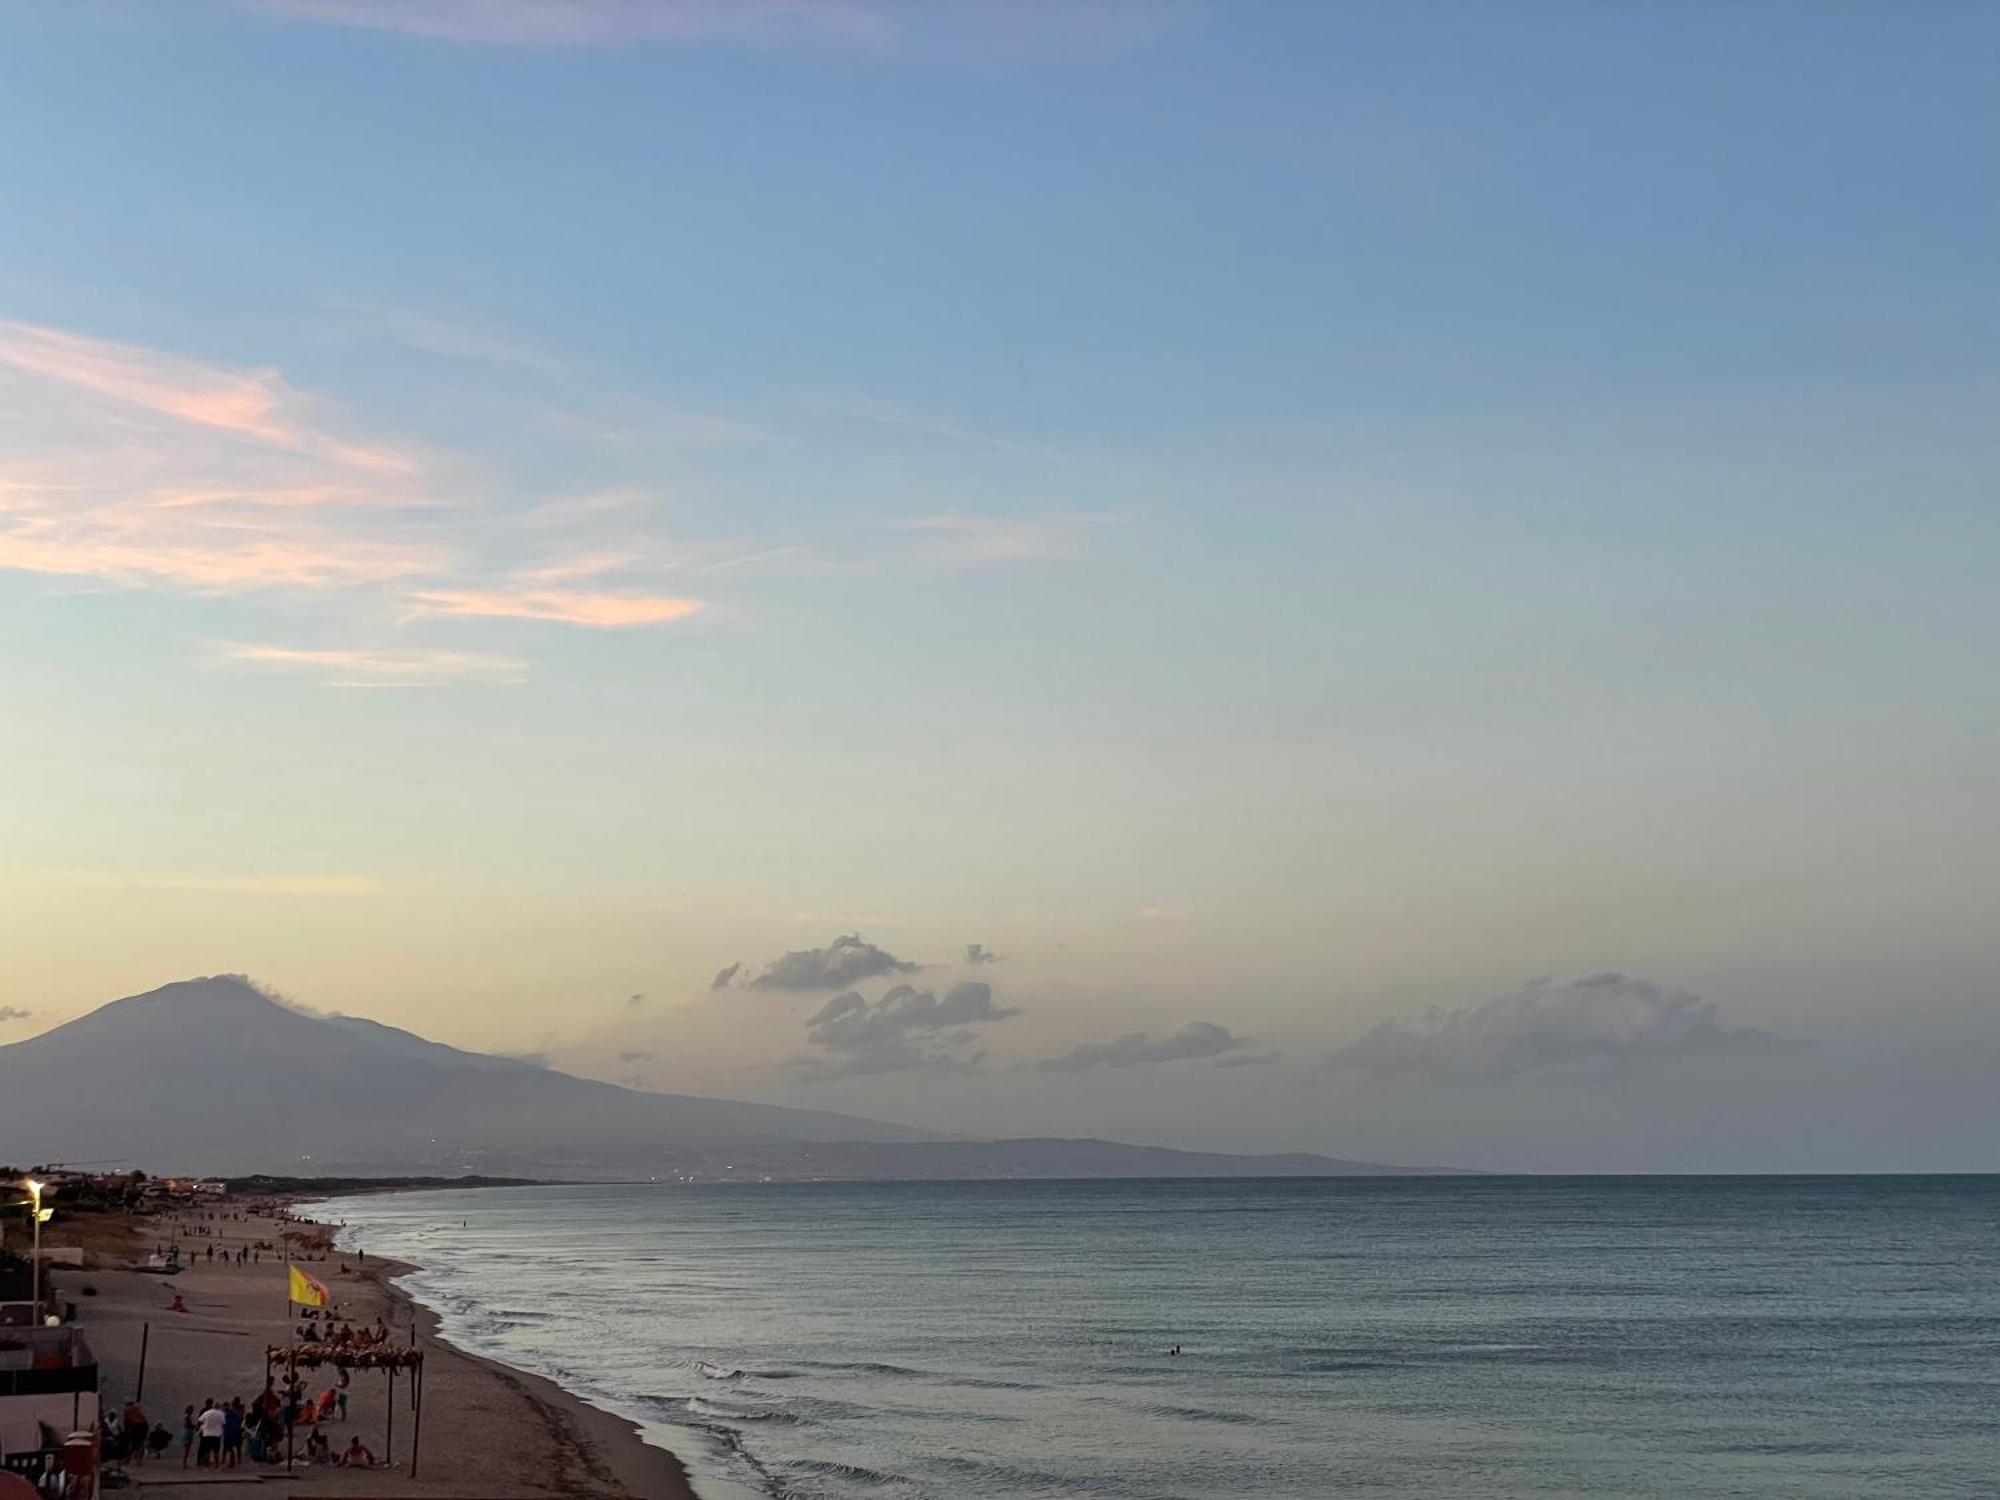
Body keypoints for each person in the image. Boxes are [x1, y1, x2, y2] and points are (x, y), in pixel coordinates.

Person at [196, 1400, 226, 1468]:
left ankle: (206, 1464)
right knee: (216, 1451)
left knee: (207, 1450)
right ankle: (217, 1465)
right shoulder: (221, 1413)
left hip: (206, 1434)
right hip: (216, 1435)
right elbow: (224, 1423)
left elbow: (199, 1421)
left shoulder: (207, 1413)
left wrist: (198, 1429)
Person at [222, 1398, 244, 1467]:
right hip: (235, 1430)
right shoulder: (237, 1411)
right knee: (233, 1447)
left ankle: (231, 1461)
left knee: (229, 1447)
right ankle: (234, 1461)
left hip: (233, 1431)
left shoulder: (234, 1411)